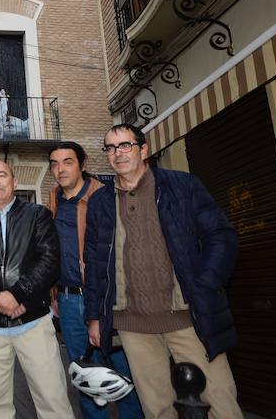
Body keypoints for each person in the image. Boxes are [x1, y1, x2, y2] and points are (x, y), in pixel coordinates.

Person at [84, 123, 243, 418]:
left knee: (220, 402)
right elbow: (94, 264)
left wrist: (204, 282)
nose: (118, 154)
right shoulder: (100, 203)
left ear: (143, 149)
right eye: (110, 148)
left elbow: (222, 236)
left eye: (125, 145)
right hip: (133, 324)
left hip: (187, 317)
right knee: (157, 409)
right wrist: (94, 316)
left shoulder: (182, 186)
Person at [0, 160, 72, 418]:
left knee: (52, 399)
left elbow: (49, 262)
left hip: (33, 321)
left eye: (2, 175)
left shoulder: (38, 215)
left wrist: (16, 294)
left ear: (15, 182)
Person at [48, 142, 143, 418]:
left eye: (67, 161)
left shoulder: (103, 198)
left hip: (103, 298)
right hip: (67, 300)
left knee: (122, 375)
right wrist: (54, 295)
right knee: (85, 376)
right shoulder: (54, 198)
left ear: (83, 164)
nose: (60, 169)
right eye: (54, 163)